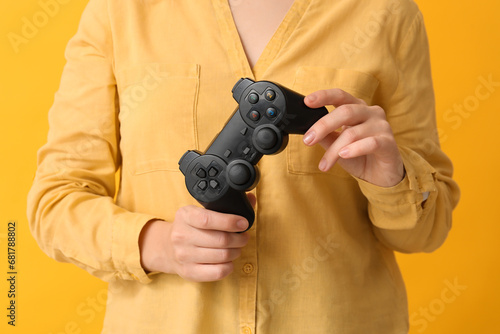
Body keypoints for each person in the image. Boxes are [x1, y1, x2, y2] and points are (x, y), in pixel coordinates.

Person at [27, 0, 460, 333]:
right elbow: (55, 200)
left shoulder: (385, 13)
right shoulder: (121, 12)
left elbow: (428, 228)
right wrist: (155, 244)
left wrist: (393, 178)